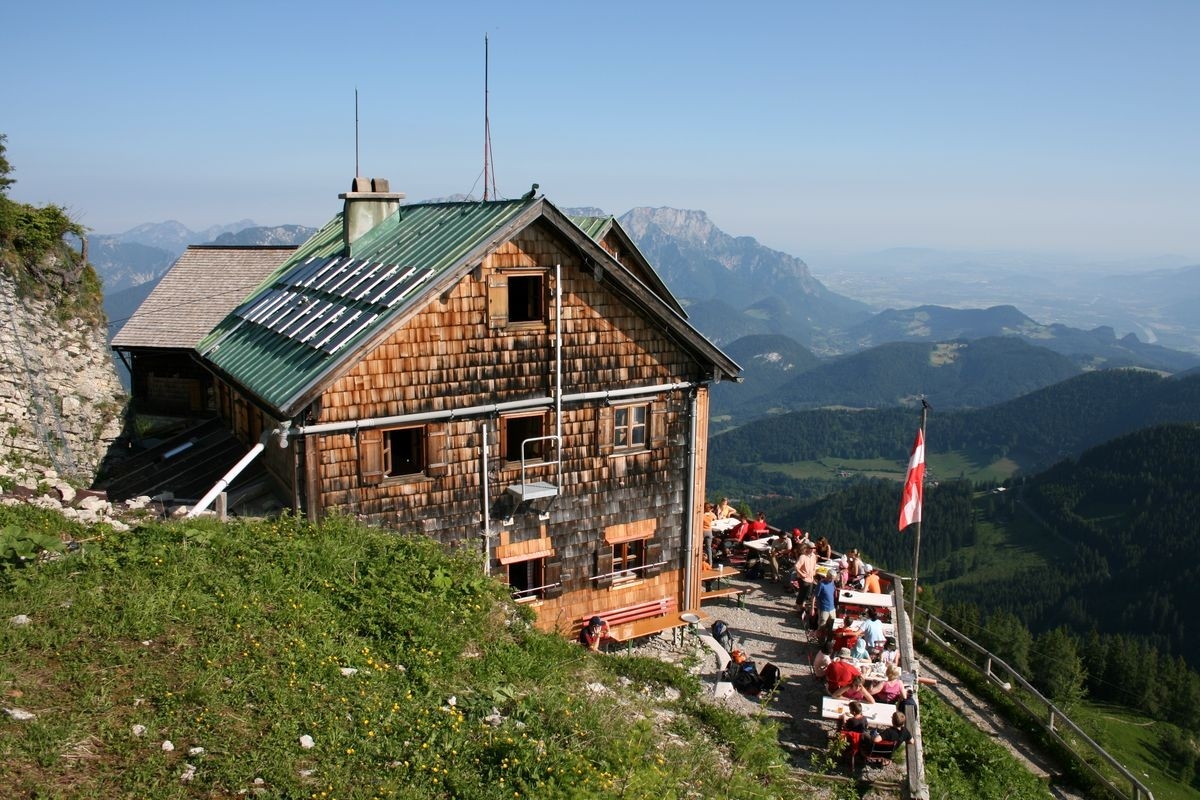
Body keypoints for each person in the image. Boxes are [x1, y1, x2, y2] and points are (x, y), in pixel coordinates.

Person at [793, 541, 819, 614]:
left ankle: (802, 605)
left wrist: (814, 571)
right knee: (802, 592)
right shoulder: (803, 556)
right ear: (807, 548)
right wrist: (801, 574)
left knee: (808, 593)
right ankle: (798, 606)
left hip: (810, 577)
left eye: (813, 548)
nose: (812, 549)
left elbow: (814, 564)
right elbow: (796, 566)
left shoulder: (813, 556)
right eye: (811, 548)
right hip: (803, 578)